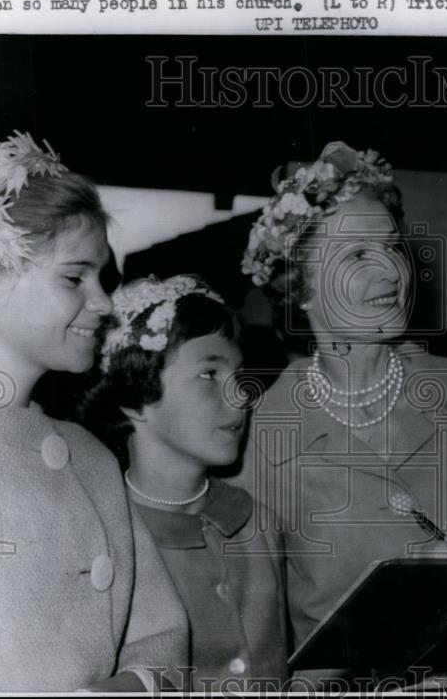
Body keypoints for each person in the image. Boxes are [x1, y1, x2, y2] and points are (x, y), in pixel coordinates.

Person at [0, 133, 188, 691]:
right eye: (74, 277)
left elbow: (160, 638)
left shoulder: (90, 458)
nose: (104, 302)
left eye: (103, 277)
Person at [235, 141, 447, 649]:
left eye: (393, 247)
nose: (392, 273)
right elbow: (256, 632)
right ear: (300, 287)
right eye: (356, 255)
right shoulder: (259, 438)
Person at [79, 274, 289, 690]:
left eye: (238, 374)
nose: (241, 396)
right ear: (136, 396)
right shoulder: (103, 535)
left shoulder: (256, 522)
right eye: (210, 375)